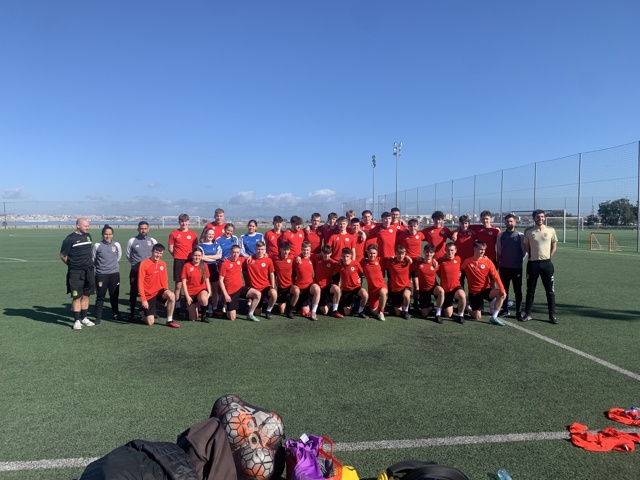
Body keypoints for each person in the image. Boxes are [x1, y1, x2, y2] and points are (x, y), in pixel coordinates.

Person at [60, 218, 96, 330]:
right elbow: (63, 255)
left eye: (88, 225)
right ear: (78, 226)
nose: (87, 227)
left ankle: (84, 318)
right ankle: (76, 321)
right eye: (85, 226)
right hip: (76, 272)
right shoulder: (69, 239)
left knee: (86, 295)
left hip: (89, 271)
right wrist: (72, 265)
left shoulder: (88, 236)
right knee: (76, 297)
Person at [523, 209, 558, 324]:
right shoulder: (528, 231)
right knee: (530, 290)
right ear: (533, 218)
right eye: (538, 217)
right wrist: (532, 256)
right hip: (533, 264)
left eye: (542, 217)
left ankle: (552, 316)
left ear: (544, 217)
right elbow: (526, 246)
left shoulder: (551, 230)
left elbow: (554, 245)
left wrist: (548, 256)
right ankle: (528, 314)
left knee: (550, 291)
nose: (540, 219)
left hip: (547, 264)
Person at [461, 240, 507, 326]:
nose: (483, 251)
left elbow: (496, 276)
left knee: (501, 294)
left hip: (486, 290)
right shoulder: (467, 262)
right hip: (474, 292)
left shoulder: (487, 261)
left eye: (484, 249)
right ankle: (468, 308)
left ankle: (494, 317)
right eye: (480, 249)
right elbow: (459, 270)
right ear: (475, 249)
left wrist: (502, 289)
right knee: (477, 317)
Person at [138, 244, 177, 327]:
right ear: (152, 251)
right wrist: (143, 299)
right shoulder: (144, 264)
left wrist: (166, 294)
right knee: (150, 323)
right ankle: (142, 312)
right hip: (149, 294)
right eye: (156, 252)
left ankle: (169, 320)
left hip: (159, 292)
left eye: (160, 253)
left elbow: (165, 280)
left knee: (171, 295)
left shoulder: (163, 264)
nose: (158, 255)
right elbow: (140, 282)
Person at [218, 245, 261, 322]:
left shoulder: (240, 260)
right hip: (231, 292)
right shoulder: (225, 264)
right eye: (234, 252)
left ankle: (250, 314)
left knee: (257, 294)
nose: (235, 254)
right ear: (230, 252)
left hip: (240, 288)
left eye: (238, 252)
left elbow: (251, 257)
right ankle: (227, 309)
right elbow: (220, 281)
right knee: (232, 318)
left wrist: (251, 256)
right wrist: (226, 295)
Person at [126, 221, 157, 321]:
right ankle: (131, 313)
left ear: (148, 229)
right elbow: (128, 255)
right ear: (138, 229)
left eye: (145, 228)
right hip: (135, 271)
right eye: (141, 228)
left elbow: (156, 255)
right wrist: (137, 265)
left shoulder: (153, 241)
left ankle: (151, 311)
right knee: (133, 292)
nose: (143, 230)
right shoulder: (132, 241)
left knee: (151, 292)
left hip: (149, 273)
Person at [168, 214, 198, 317]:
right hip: (179, 261)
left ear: (188, 222)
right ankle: (177, 305)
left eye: (185, 221)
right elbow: (170, 248)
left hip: (190, 261)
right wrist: (177, 256)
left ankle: (189, 303)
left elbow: (195, 249)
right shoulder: (174, 234)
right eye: (182, 221)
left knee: (190, 283)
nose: (183, 223)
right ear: (179, 222)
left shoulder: (193, 234)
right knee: (178, 284)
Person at [496, 214, 526, 320]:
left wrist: (517, 261)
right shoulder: (501, 236)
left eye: (511, 221)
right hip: (504, 267)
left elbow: (524, 251)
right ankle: (505, 309)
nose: (509, 223)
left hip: (516, 268)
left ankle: (518, 312)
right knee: (504, 290)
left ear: (515, 222)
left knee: (517, 290)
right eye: (507, 221)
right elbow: (499, 250)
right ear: (505, 223)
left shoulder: (520, 236)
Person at [92, 224, 122, 324]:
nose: (108, 236)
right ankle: (98, 317)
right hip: (101, 275)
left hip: (114, 274)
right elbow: (93, 259)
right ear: (102, 234)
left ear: (112, 235)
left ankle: (116, 315)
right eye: (106, 234)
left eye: (109, 234)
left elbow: (118, 257)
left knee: (114, 296)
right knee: (100, 297)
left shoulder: (116, 245)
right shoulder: (97, 246)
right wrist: (102, 267)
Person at [411, 244, 445, 323]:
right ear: (423, 252)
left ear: (433, 253)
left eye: (431, 252)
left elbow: (441, 275)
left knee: (441, 291)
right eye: (427, 252)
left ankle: (438, 314)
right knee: (424, 314)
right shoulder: (418, 262)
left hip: (433, 287)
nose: (429, 254)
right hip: (423, 290)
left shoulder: (435, 264)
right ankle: (431, 307)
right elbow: (409, 269)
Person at [244, 241, 278, 319]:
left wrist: (272, 286)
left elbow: (271, 274)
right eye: (258, 249)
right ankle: (262, 303)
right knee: (257, 313)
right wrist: (250, 255)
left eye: (262, 249)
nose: (260, 251)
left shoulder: (268, 260)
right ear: (255, 249)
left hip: (265, 287)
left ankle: (268, 311)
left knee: (274, 293)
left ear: (264, 249)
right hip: (255, 289)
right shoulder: (249, 260)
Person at [334, 248, 369, 318]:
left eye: (347, 256)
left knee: (365, 294)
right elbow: (335, 275)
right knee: (347, 313)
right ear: (341, 256)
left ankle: (361, 311)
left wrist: (359, 278)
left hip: (356, 287)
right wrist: (337, 284)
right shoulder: (339, 265)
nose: (345, 258)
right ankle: (354, 303)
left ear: (350, 256)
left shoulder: (355, 264)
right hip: (346, 290)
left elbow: (362, 273)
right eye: (344, 256)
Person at [437, 242, 467, 324]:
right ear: (445, 250)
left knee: (462, 295)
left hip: (455, 287)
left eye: (452, 250)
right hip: (445, 289)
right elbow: (435, 269)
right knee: (448, 314)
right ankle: (446, 307)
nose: (450, 252)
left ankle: (460, 316)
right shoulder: (440, 260)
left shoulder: (458, 259)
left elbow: (466, 264)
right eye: (448, 250)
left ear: (455, 250)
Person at [291, 241, 321, 321]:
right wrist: (299, 255)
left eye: (307, 250)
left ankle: (313, 312)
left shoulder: (313, 257)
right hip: (300, 288)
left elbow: (324, 255)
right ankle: (299, 303)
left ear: (310, 250)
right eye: (304, 250)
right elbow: (292, 272)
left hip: (310, 286)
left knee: (317, 289)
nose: (306, 252)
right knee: (305, 311)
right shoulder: (297, 260)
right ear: (301, 249)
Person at [180, 249, 212, 323]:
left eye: (199, 255)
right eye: (195, 255)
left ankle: (204, 316)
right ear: (192, 256)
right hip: (191, 292)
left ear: (202, 256)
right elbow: (183, 282)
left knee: (204, 299)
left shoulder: (204, 265)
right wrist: (187, 296)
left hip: (201, 290)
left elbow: (207, 279)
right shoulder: (187, 266)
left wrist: (209, 292)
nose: (197, 257)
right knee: (193, 318)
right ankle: (193, 308)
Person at [383, 245, 413, 319]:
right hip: (395, 289)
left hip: (406, 285)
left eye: (402, 254)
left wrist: (408, 257)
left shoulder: (407, 261)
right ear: (395, 253)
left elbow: (414, 260)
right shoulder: (391, 261)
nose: (400, 256)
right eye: (399, 254)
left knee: (406, 296)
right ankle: (403, 305)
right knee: (398, 313)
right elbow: (381, 262)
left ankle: (406, 310)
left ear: (405, 254)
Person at [360, 244, 388, 321]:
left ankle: (381, 312)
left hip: (381, 286)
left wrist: (407, 257)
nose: (372, 255)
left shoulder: (380, 260)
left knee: (383, 292)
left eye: (374, 253)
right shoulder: (363, 262)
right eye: (370, 253)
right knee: (374, 312)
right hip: (372, 290)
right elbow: (354, 265)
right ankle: (379, 304)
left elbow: (392, 258)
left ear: (377, 253)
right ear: (367, 252)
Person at [312, 244, 342, 317]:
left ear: (331, 253)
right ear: (322, 253)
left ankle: (335, 310)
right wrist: (299, 256)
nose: (326, 256)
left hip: (327, 286)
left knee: (337, 289)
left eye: (328, 254)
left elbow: (344, 270)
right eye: (325, 254)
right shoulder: (316, 258)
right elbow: (306, 253)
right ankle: (330, 303)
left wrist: (358, 277)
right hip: (318, 286)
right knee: (325, 311)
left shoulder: (333, 263)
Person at [272, 241, 297, 318]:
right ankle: (287, 302)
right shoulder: (275, 258)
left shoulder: (292, 257)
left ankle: (290, 310)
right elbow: (264, 255)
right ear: (280, 249)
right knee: (282, 311)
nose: (286, 252)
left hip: (290, 285)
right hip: (281, 286)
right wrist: (251, 256)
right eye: (284, 249)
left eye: (287, 250)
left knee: (297, 291)